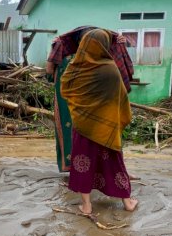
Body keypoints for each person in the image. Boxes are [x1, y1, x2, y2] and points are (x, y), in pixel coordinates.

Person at [60, 29, 138, 213]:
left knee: (82, 164)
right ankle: (127, 202)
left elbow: (65, 89)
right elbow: (121, 98)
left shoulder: (75, 66)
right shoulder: (110, 68)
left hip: (83, 126)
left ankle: (86, 205)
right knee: (114, 163)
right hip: (107, 127)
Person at [46, 26, 133, 172]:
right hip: (98, 109)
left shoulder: (78, 60)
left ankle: (86, 172)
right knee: (99, 138)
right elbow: (122, 85)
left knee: (86, 139)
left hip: (82, 109)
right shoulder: (105, 62)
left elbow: (53, 74)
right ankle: (100, 171)